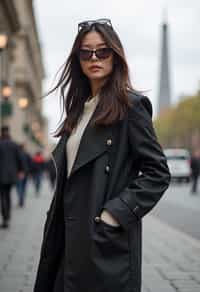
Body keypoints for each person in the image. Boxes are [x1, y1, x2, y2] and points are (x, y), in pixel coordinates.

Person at [33, 19, 171, 292]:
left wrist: (114, 214)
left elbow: (158, 173)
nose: (94, 58)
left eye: (103, 51)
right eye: (86, 52)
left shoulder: (130, 106)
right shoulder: (78, 111)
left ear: (115, 55)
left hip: (104, 243)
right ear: (78, 59)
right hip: (66, 238)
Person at [0, 126, 24, 228]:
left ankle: (5, 218)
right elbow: (20, 159)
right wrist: (20, 171)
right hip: (11, 175)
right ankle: (8, 216)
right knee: (8, 195)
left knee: (3, 196)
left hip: (1, 175)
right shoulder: (14, 145)